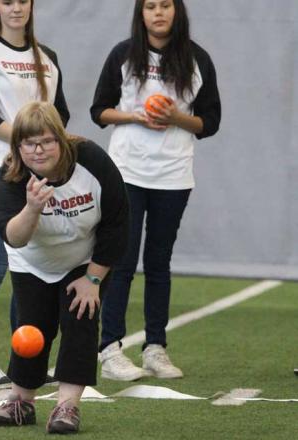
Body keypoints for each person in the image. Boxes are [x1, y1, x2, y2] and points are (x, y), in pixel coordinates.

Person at [90, 0, 221, 381]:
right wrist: (137, 116)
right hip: (127, 171)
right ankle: (110, 349)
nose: (158, 13)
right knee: (123, 260)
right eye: (150, 6)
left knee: (159, 263)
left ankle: (155, 348)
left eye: (166, 5)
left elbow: (210, 121)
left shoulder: (197, 59)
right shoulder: (123, 55)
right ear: (141, 13)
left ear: (177, 11)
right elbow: (99, 110)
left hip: (173, 174)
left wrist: (175, 117)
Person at [0, 101, 128, 434]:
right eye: (29, 143)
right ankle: (21, 401)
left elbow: (118, 222)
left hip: (83, 258)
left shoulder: (92, 161)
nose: (38, 150)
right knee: (31, 328)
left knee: (80, 320)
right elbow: (13, 237)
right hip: (32, 261)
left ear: (61, 141)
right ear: (17, 146)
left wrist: (93, 278)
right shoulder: (11, 176)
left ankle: (67, 407)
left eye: (47, 141)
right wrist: (32, 208)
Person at [0, 0, 69, 388]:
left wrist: (46, 151)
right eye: (8, 1)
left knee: (31, 272)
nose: (16, 8)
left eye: (22, 0)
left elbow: (61, 116)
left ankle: (23, 363)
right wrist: (30, 141)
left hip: (39, 179)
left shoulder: (48, 57)